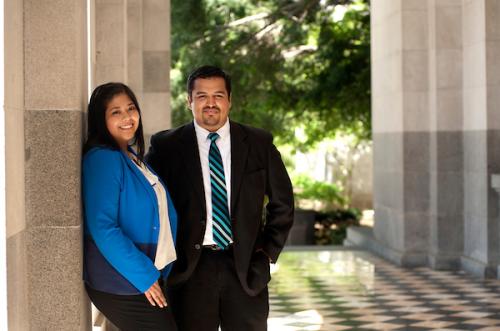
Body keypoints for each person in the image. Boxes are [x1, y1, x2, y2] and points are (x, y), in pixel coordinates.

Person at [146, 65, 294, 330]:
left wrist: (267, 254)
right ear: (189, 101)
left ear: (230, 100)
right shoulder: (165, 147)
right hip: (188, 272)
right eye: (202, 96)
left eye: (218, 95)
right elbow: (147, 206)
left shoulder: (259, 143)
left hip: (246, 268)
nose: (210, 103)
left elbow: (282, 204)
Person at [82, 82, 178, 330]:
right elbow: (103, 227)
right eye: (116, 112)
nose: (127, 117)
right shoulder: (104, 158)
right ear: (100, 119)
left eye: (131, 108)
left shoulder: (132, 157)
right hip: (121, 280)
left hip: (140, 275)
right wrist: (145, 277)